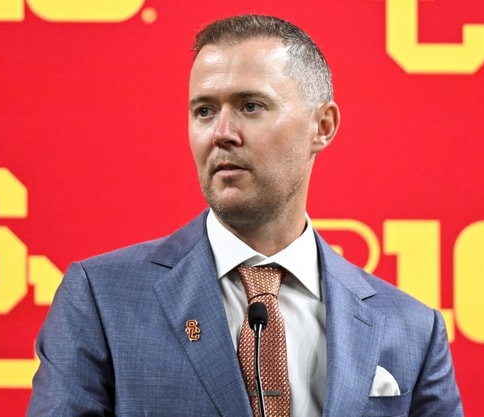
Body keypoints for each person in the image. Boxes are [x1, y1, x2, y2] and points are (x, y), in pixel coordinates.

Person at [27, 14, 462, 417]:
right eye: (204, 111)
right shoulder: (103, 300)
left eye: (250, 106)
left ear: (322, 126)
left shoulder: (411, 330)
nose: (222, 133)